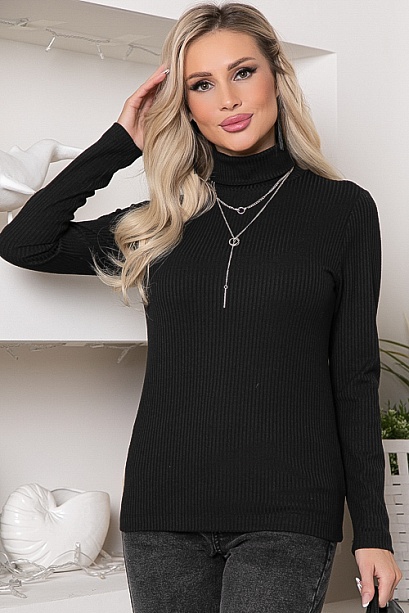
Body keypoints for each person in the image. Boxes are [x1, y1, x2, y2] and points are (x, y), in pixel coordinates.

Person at [0, 3, 401, 612]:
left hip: (288, 514)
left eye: (243, 72)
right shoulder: (163, 219)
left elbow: (354, 376)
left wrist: (373, 532)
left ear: (276, 76)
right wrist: (120, 143)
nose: (228, 99)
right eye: (202, 85)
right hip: (163, 512)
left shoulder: (343, 211)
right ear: (185, 104)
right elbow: (25, 243)